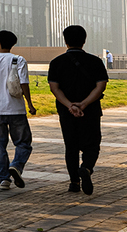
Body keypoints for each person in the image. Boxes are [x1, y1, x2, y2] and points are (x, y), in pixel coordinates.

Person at [47, 24, 109, 195]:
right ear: (84, 40)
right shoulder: (95, 61)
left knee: (71, 146)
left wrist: (70, 105)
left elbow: (54, 88)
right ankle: (86, 168)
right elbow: (100, 86)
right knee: (92, 144)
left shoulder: (57, 62)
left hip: (66, 112)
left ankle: (74, 182)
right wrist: (84, 104)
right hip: (91, 110)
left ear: (65, 41)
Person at [0, 30, 37, 190]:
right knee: (24, 143)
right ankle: (16, 165)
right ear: (13, 44)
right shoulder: (19, 60)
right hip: (16, 109)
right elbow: (24, 83)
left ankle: (3, 179)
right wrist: (30, 104)